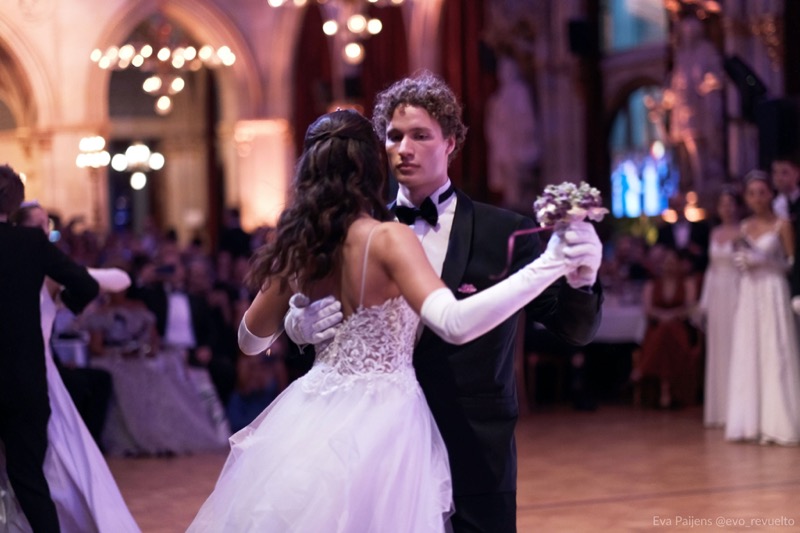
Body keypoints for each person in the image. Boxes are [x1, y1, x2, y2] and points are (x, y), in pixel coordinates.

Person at [187, 109, 595, 532]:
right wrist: (549, 265)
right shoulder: (387, 238)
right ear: (372, 164)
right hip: (384, 421)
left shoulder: (300, 243)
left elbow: (249, 341)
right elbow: (453, 322)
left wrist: (292, 323)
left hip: (310, 416)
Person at [0, 201, 141, 533]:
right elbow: (94, 283)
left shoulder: (45, 270)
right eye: (38, 225)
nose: (44, 231)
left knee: (43, 470)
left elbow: (117, 279)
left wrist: (65, 304)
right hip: (29, 376)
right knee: (31, 474)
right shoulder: (35, 259)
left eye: (45, 225)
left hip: (35, 376)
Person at [0, 164, 99, 532]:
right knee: (29, 480)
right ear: (15, 203)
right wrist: (63, 304)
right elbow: (87, 286)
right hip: (24, 379)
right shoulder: (31, 243)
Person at [725, 175, 800, 445]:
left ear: (770, 194)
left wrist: (765, 262)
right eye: (752, 193)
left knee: (774, 349)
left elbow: (791, 265)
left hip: (772, 290)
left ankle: (777, 422)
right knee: (750, 348)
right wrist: (742, 262)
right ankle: (750, 421)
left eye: (762, 192)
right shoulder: (744, 227)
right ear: (746, 198)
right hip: (750, 291)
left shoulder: (783, 225)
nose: (757, 198)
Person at [697, 189, 741, 427]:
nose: (727, 208)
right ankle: (719, 410)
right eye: (723, 204)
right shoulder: (713, 232)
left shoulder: (744, 230)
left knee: (736, 346)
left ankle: (737, 410)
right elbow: (711, 269)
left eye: (731, 203)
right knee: (718, 347)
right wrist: (704, 303)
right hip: (717, 294)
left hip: (736, 290)